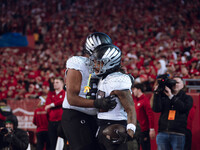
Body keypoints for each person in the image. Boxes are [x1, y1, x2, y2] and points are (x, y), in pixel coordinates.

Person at [61, 32, 116, 150]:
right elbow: (72, 99)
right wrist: (97, 103)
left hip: (95, 116)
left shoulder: (105, 66)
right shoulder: (78, 63)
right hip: (75, 114)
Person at [92, 44, 137, 150]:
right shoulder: (103, 77)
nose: (95, 65)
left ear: (109, 62)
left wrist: (130, 132)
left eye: (98, 62)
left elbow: (130, 109)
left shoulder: (118, 80)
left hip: (115, 127)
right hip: (101, 125)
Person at [152, 76, 193, 150]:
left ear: (183, 85)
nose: (175, 84)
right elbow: (156, 109)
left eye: (177, 82)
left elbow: (183, 108)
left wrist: (171, 96)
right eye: (173, 82)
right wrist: (157, 94)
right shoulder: (164, 96)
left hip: (178, 133)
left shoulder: (187, 98)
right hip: (163, 132)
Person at [132, 83, 155, 150]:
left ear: (139, 90)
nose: (133, 91)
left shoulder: (145, 101)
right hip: (136, 130)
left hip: (144, 130)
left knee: (145, 147)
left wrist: (151, 129)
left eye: (134, 89)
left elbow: (150, 116)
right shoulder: (135, 100)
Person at [45, 77, 65, 150]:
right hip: (52, 121)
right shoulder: (51, 94)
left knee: (62, 141)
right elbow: (47, 104)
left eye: (57, 82)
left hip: (61, 121)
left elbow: (62, 101)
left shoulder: (64, 93)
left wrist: (52, 105)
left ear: (62, 84)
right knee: (52, 142)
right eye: (54, 83)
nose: (54, 84)